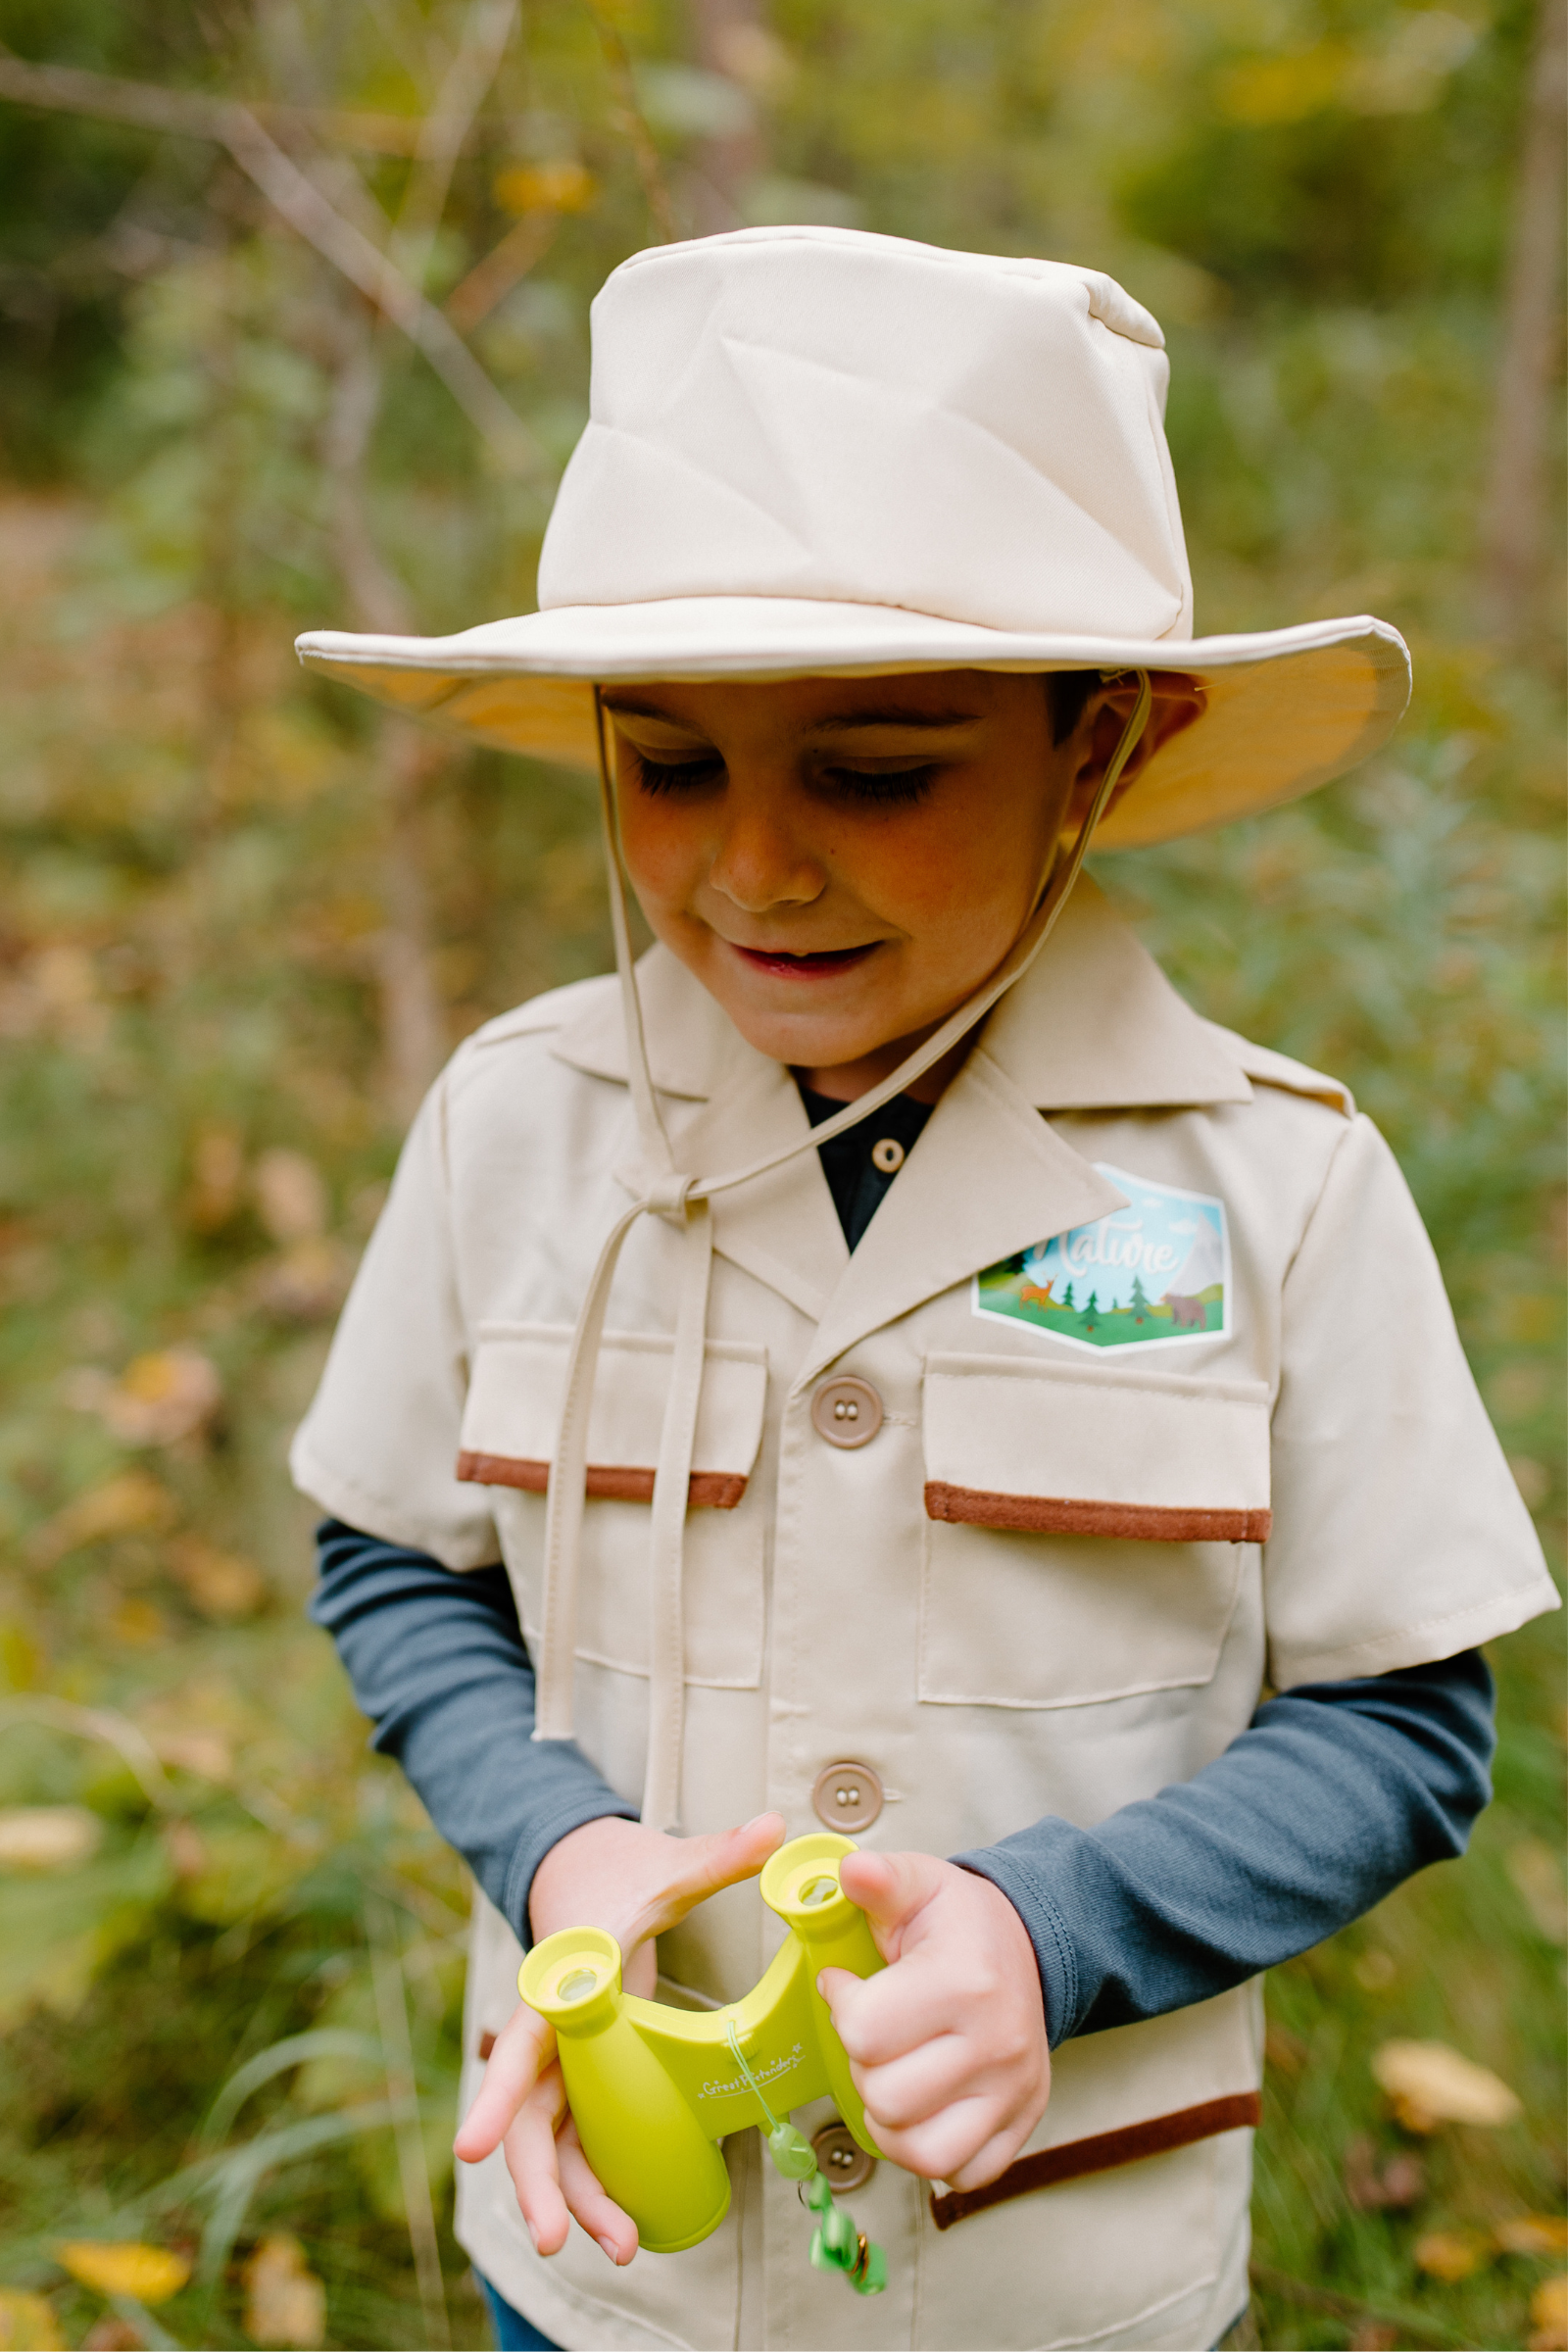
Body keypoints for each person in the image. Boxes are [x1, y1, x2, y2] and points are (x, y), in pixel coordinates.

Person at [291, 228, 1556, 2352]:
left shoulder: (1271, 1185)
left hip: (1059, 2287)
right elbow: (394, 1560)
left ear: (1102, 746)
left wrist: (1048, 1935)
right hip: (617, 2267)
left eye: (876, 772)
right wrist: (559, 1853)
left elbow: (1399, 1720)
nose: (753, 866)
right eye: (669, 761)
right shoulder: (520, 1128)